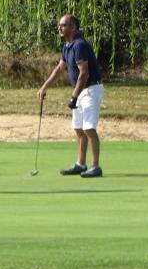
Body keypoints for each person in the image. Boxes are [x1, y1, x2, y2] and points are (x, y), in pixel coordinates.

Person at [37, 14, 104, 178]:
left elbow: (84, 74)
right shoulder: (68, 46)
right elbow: (60, 69)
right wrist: (44, 87)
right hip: (80, 91)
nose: (60, 28)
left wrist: (74, 96)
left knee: (89, 128)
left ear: (73, 27)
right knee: (78, 128)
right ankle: (81, 164)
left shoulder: (79, 45)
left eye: (64, 25)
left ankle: (96, 167)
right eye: (60, 25)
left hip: (91, 89)